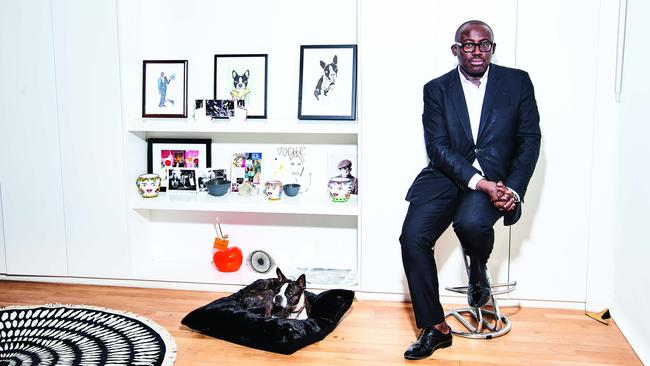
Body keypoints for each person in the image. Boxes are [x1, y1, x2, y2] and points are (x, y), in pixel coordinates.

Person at [400, 20, 541, 360]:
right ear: (455, 49)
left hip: (499, 179)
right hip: (447, 176)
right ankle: (435, 328)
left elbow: (529, 140)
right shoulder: (436, 89)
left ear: (493, 47)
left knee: (470, 223)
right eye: (468, 45)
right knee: (412, 238)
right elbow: (437, 146)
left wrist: (515, 190)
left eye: (484, 44)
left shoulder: (517, 82)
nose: (476, 51)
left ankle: (478, 266)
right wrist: (479, 182)